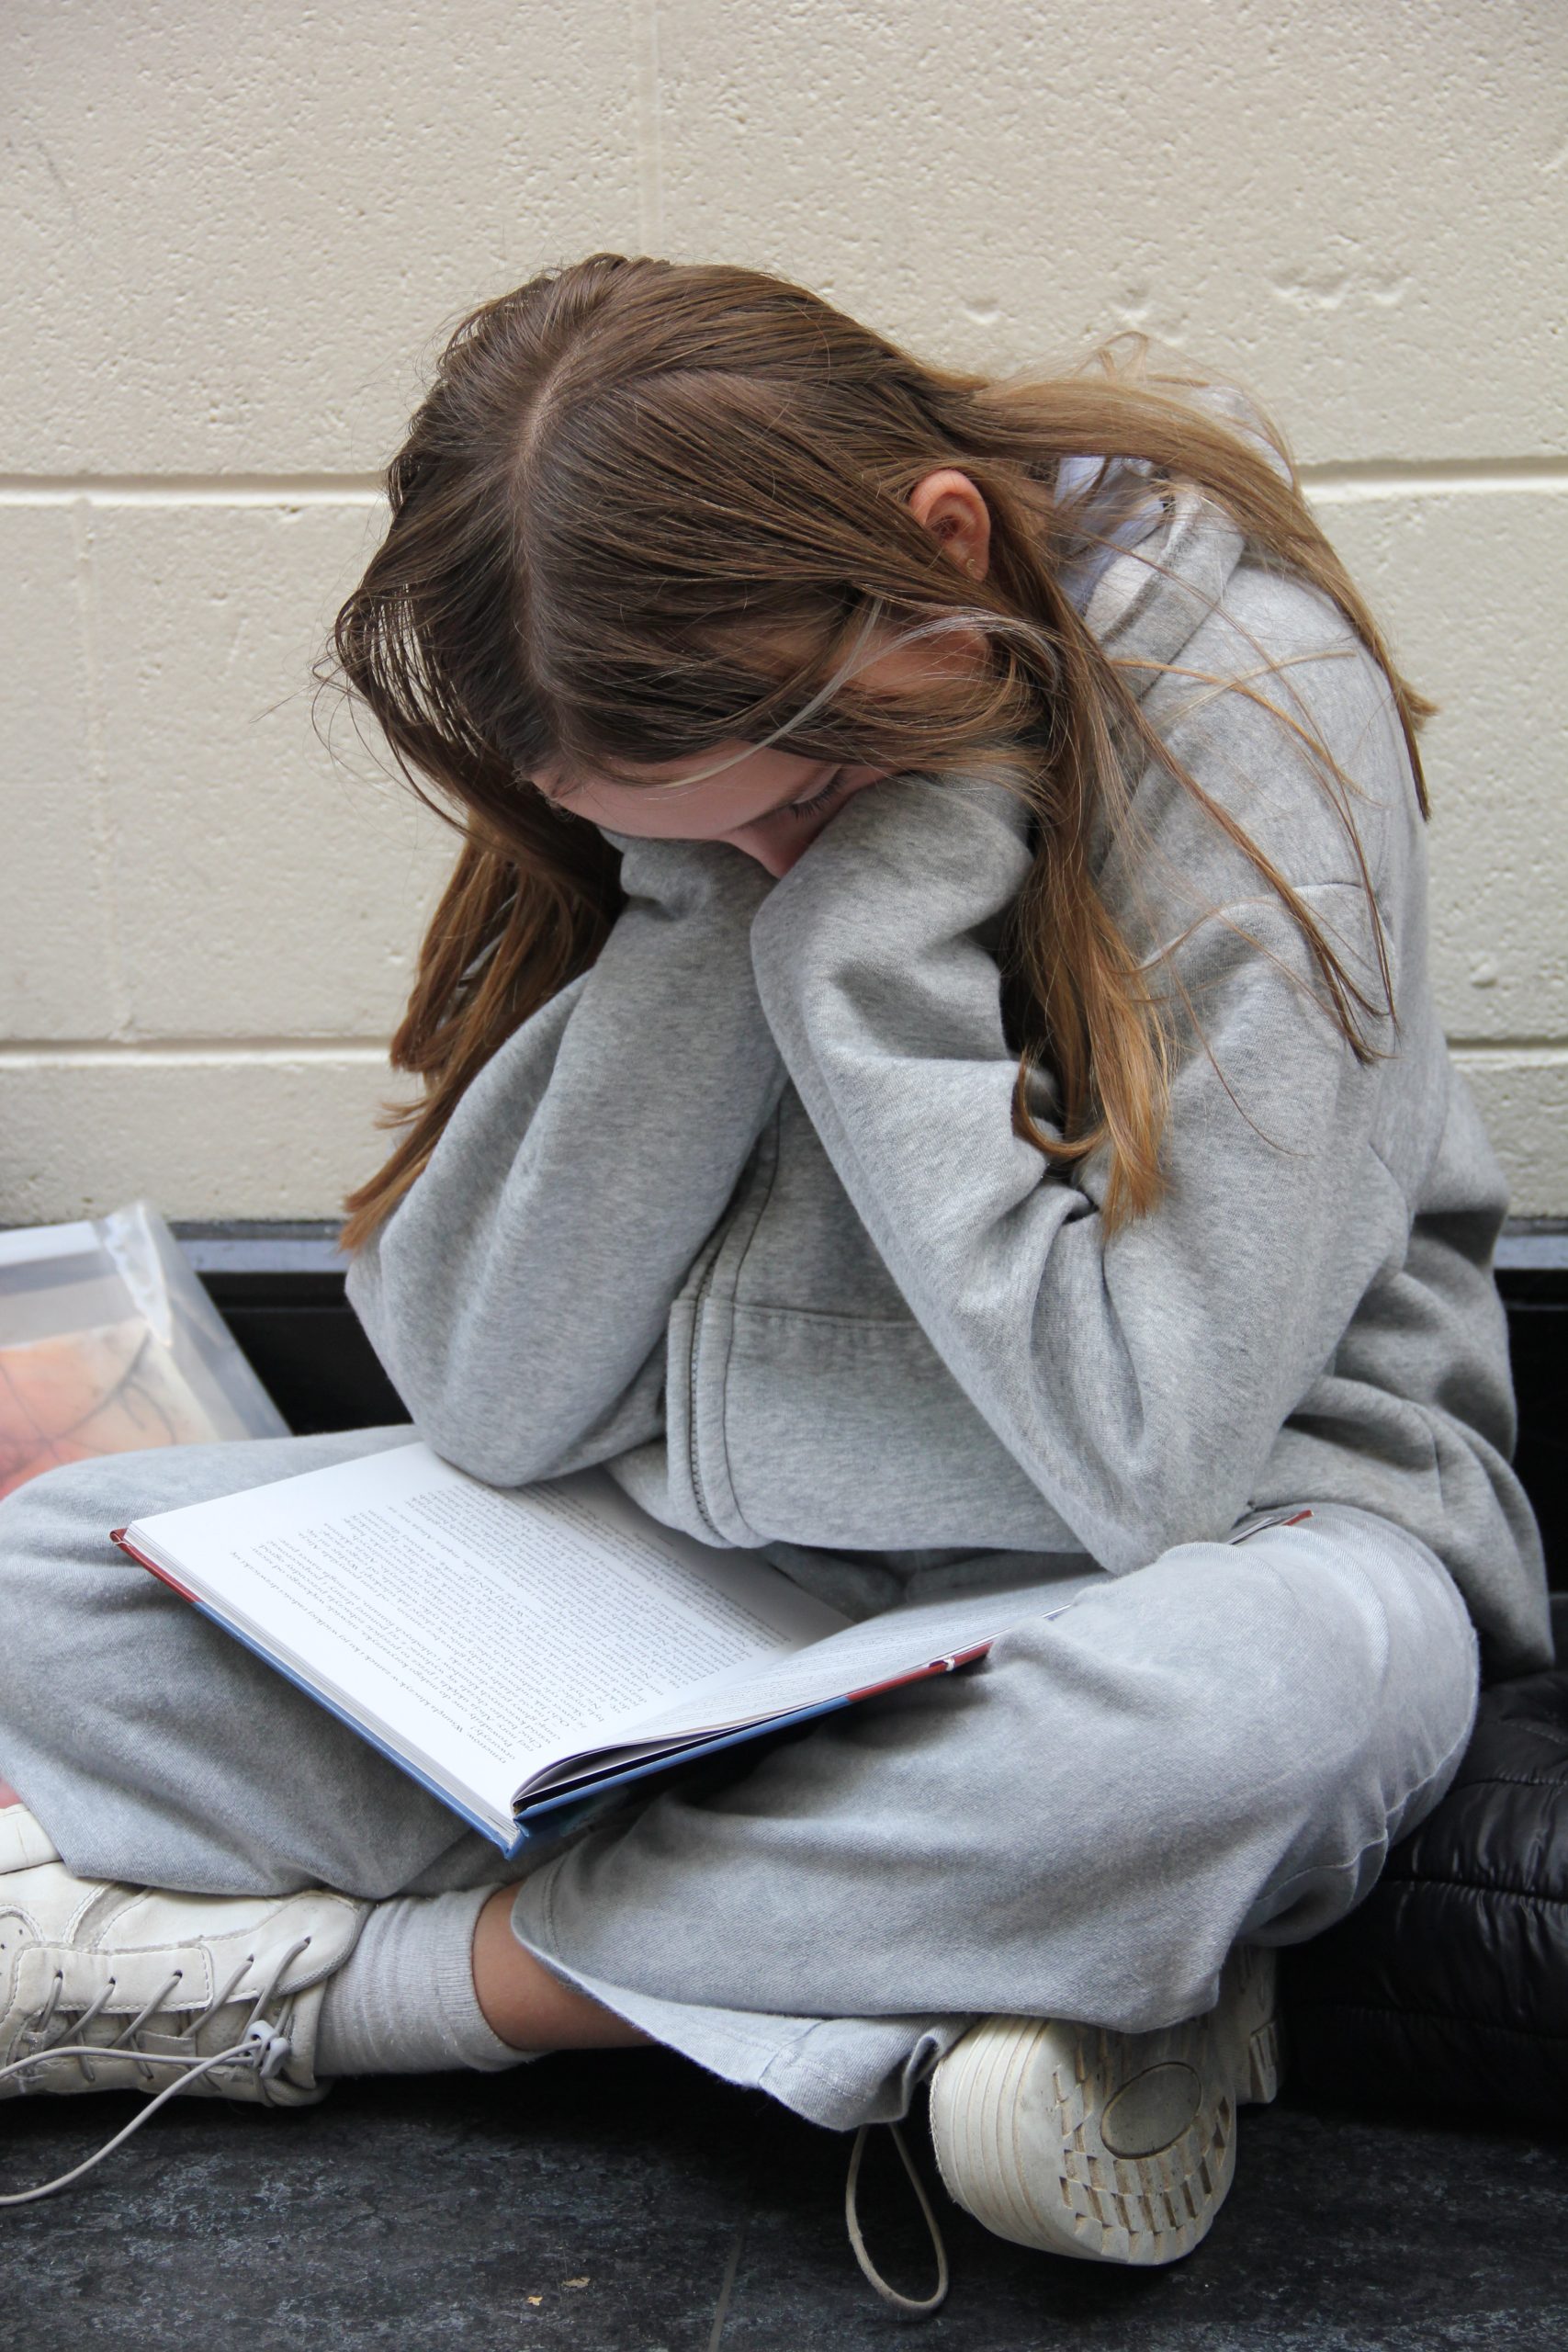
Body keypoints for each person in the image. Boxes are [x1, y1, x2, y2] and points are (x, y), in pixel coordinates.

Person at [0, 255, 1550, 2302]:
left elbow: (1147, 1454)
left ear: (944, 552)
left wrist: (864, 945)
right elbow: (490, 1399)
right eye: (685, 834)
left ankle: (391, 1988)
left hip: (1222, 1547)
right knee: (52, 1579)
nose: (768, 859)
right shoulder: (671, 755)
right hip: (735, 1590)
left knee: (1248, 1721)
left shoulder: (1252, 697)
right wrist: (697, 914)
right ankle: (990, 1948)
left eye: (804, 799)